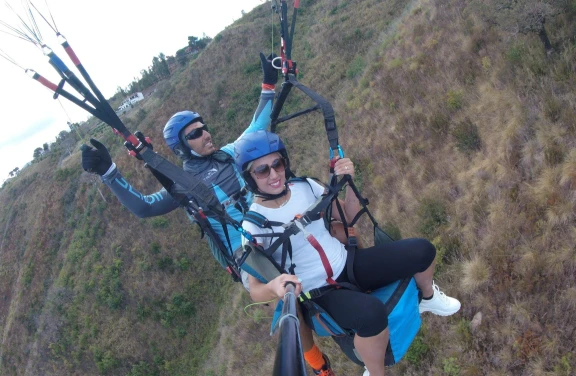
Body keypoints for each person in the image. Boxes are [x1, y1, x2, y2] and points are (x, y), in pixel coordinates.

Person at [81, 54, 335, 375]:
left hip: (270, 226)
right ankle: (320, 366)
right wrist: (110, 172)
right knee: (289, 306)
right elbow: (145, 207)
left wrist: (268, 85)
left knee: (323, 241)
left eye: (203, 128)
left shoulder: (230, 155)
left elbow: (258, 124)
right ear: (182, 147)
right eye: (195, 134)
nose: (205, 134)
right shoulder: (182, 186)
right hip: (245, 253)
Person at [234, 130, 461, 376]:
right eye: (262, 170)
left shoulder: (306, 187)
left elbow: (348, 216)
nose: (274, 174)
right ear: (250, 177)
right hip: (319, 292)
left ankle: (427, 298)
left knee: (422, 251)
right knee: (372, 315)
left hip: (348, 264)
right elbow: (255, 290)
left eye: (277, 164)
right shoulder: (254, 225)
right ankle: (375, 372)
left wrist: (349, 181)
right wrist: (274, 286)